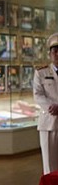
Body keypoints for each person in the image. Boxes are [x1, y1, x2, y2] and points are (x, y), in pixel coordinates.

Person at [35, 32, 58, 174]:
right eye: (54, 51)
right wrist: (52, 108)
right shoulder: (41, 73)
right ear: (49, 54)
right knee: (49, 166)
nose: (57, 54)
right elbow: (38, 95)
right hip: (48, 123)